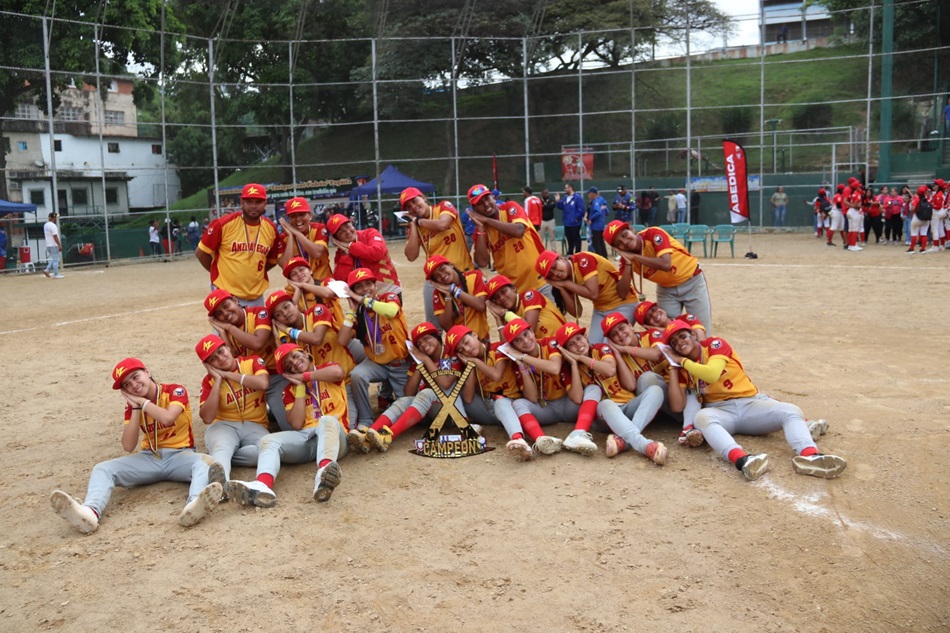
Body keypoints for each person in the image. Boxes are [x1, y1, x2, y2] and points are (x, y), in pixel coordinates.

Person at [49, 358, 225, 534]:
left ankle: (193, 506)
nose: (134, 385)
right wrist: (134, 409)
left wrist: (143, 404)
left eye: (135, 377)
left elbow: (168, 418)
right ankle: (89, 513)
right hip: (150, 457)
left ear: (147, 372)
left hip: (181, 455)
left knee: (206, 463)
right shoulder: (132, 407)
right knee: (102, 469)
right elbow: (128, 445)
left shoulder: (174, 390)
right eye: (127, 384)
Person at [662, 321, 848, 482]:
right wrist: (674, 366)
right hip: (722, 412)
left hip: (750, 405)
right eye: (674, 342)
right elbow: (678, 406)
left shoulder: (714, 344)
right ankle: (743, 461)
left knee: (791, 411)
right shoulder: (683, 368)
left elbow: (711, 374)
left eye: (683, 336)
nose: (680, 342)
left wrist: (683, 362)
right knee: (703, 417)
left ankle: (810, 456)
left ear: (694, 335)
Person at [226, 343, 350, 507]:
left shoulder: (327, 368)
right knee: (269, 441)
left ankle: (325, 474)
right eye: (288, 366)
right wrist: (299, 388)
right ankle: (263, 485)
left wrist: (306, 377)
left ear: (305, 353)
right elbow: (297, 423)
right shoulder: (289, 391)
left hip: (335, 438)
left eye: (295, 355)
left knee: (327, 420)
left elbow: (338, 373)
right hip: (307, 438)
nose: (294, 362)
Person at [555, 321, 667, 464]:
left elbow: (610, 370)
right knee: (605, 403)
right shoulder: (568, 368)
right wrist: (574, 364)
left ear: (585, 336)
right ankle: (643, 445)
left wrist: (582, 358)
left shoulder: (601, 349)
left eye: (579, 338)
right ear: (566, 350)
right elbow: (577, 398)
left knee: (655, 390)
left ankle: (624, 441)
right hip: (604, 416)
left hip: (628, 405)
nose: (577, 345)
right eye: (571, 344)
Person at [604, 220, 713, 334]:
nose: (625, 242)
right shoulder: (627, 259)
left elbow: (666, 264)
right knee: (669, 332)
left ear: (631, 229)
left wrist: (635, 257)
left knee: (702, 331)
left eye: (625, 235)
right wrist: (627, 264)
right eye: (619, 243)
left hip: (692, 281)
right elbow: (622, 293)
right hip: (666, 290)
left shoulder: (653, 234)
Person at [450, 324, 538, 461]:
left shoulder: (498, 348)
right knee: (455, 393)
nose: (467, 349)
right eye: (462, 349)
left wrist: (475, 362)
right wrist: (470, 368)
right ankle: (468, 428)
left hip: (511, 405)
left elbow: (496, 375)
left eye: (467, 342)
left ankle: (518, 439)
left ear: (474, 335)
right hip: (488, 408)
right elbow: (468, 399)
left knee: (501, 402)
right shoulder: (468, 362)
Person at [338, 268, 412, 429]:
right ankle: (365, 420)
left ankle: (385, 399)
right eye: (359, 287)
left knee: (406, 408)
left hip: (400, 364)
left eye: (368, 284)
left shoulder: (388, 297)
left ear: (375, 285)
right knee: (357, 375)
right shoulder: (359, 313)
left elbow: (392, 311)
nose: (365, 289)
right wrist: (351, 311)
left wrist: (361, 299)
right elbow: (342, 340)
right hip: (378, 364)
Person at [205, 288, 286, 431]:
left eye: (225, 306)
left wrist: (229, 328)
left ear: (236, 300)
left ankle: (273, 409)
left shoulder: (259, 313)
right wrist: (223, 333)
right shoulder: (226, 330)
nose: (225, 314)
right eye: (219, 314)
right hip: (247, 381)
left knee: (288, 425)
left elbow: (257, 342)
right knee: (240, 424)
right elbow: (233, 358)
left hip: (274, 378)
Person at [195, 334, 269, 486]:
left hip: (255, 425)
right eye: (213, 359)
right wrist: (217, 381)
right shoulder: (208, 381)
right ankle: (220, 487)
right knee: (222, 447)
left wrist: (228, 375)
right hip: (224, 425)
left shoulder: (251, 362)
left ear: (228, 348)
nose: (220, 358)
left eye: (220, 351)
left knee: (266, 450)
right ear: (208, 365)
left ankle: (220, 456)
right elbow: (207, 418)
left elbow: (263, 383)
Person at [197, 183, 279, 307]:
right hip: (226, 293)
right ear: (241, 202)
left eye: (258, 202)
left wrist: (253, 272)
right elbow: (201, 252)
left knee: (258, 326)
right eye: (249, 202)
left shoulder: (271, 229)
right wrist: (218, 273)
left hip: (256, 296)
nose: (253, 206)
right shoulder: (223, 224)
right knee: (225, 326)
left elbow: (272, 260)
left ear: (265, 204)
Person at [401, 187, 473, 328]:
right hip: (437, 280)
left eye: (415, 201)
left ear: (423, 198)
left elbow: (442, 224)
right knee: (434, 326)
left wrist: (418, 222)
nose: (413, 207)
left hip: (463, 274)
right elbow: (411, 255)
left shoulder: (443, 207)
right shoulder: (416, 225)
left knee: (469, 321)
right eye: (409, 207)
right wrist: (413, 226)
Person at [504, 318, 577, 456]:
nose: (525, 341)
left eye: (526, 334)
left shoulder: (549, 343)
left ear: (532, 331)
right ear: (513, 346)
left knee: (593, 390)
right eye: (518, 340)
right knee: (519, 403)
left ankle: (580, 433)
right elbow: (531, 397)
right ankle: (541, 439)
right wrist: (522, 366)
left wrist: (523, 357)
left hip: (568, 403)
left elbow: (555, 368)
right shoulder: (516, 361)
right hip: (546, 407)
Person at [534, 249, 637, 345]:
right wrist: (562, 289)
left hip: (623, 304)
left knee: (610, 344)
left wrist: (566, 284)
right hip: (601, 310)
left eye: (554, 267)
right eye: (551, 275)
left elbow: (593, 294)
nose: (556, 273)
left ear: (561, 258)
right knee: (593, 347)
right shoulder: (566, 278)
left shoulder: (583, 259)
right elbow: (577, 312)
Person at [467, 184, 550, 299]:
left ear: (493, 198)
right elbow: (482, 262)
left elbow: (518, 231)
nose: (486, 204)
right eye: (480, 203)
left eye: (487, 198)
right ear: (474, 209)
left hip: (540, 280)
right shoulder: (481, 231)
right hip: (513, 292)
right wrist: (481, 229)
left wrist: (487, 220)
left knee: (551, 316)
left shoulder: (510, 208)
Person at [424, 254, 490, 341]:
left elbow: (481, 306)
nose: (442, 276)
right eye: (437, 276)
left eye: (442, 269)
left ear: (451, 265)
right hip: (460, 345)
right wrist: (448, 296)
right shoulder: (438, 294)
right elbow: (448, 328)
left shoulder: (475, 276)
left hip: (482, 340)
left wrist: (454, 290)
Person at [326, 213, 400, 287]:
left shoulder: (370, 233)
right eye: (341, 232)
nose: (348, 232)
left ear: (352, 224)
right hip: (362, 295)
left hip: (387, 290)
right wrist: (346, 254)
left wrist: (351, 246)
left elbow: (377, 253)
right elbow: (341, 281)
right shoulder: (341, 254)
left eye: (348, 226)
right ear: (337, 240)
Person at [484, 274, 566, 340]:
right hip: (545, 353)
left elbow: (530, 328)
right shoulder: (508, 316)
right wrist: (499, 319)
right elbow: (506, 347)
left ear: (513, 288)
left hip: (563, 341)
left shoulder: (529, 296)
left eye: (504, 291)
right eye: (496, 298)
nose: (501, 298)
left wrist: (505, 314)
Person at [276, 196, 332, 282]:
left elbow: (317, 253)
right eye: (293, 216)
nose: (298, 219)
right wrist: (291, 236)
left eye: (302, 214)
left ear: (310, 215)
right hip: (299, 286)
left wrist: (297, 233)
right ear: (289, 218)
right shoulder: (284, 237)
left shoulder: (319, 228)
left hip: (323, 283)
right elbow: (285, 265)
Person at [555, 183, 585, 255]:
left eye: (566, 188)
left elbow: (581, 210)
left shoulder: (577, 197)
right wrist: (558, 201)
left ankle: (578, 252)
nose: (565, 190)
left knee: (576, 237)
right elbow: (561, 207)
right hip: (567, 222)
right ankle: (570, 252)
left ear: (571, 188)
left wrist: (576, 218)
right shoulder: (565, 197)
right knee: (569, 238)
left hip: (575, 223)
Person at [906, 185, 932, 254]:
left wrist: (911, 213)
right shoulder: (927, 198)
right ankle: (923, 249)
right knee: (924, 233)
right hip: (926, 218)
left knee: (914, 233)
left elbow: (913, 208)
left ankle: (912, 249)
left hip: (917, 217)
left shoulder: (916, 198)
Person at [585, 187, 609, 257]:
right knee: (601, 241)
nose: (588, 195)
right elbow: (607, 212)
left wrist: (591, 219)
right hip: (601, 224)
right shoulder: (602, 201)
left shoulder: (596, 202)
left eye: (589, 193)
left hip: (596, 225)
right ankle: (604, 256)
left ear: (593, 194)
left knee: (596, 242)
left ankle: (600, 257)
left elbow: (598, 212)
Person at [43, 212, 64, 279]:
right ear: (53, 218)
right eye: (55, 217)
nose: (56, 219)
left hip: (48, 244)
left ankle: (47, 269)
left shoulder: (46, 225)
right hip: (53, 244)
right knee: (56, 260)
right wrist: (59, 244)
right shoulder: (53, 226)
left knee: (54, 258)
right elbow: (55, 236)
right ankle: (56, 274)